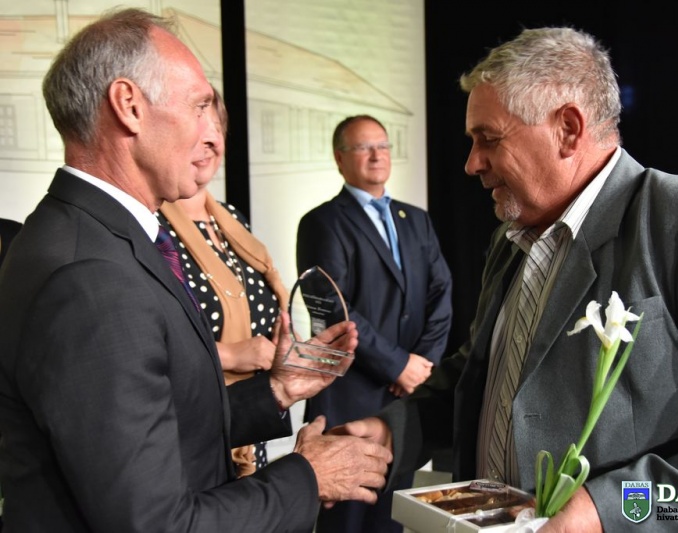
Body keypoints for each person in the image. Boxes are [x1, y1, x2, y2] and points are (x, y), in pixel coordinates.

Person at [336, 27, 678, 531]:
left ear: (569, 130)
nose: (471, 164)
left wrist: (609, 511)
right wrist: (392, 430)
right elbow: (486, 378)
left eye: (488, 139)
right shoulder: (511, 238)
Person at [0, 8, 391, 532]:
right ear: (129, 106)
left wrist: (275, 390)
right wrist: (308, 477)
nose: (214, 133)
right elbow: (156, 523)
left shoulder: (105, 238)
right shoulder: (90, 277)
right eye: (201, 105)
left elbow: (156, 429)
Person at [296, 114, 453, 532]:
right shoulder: (321, 222)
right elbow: (333, 308)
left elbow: (442, 293)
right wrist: (397, 364)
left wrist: (421, 365)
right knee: (346, 522)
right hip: (348, 397)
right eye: (363, 147)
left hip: (405, 400)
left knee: (392, 521)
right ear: (339, 158)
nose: (376, 155)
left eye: (382, 146)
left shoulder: (416, 219)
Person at [157, 87, 286, 477]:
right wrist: (229, 356)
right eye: (197, 129)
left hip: (251, 418)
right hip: (194, 424)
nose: (209, 142)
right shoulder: (151, 228)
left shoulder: (231, 219)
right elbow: (146, 338)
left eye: (216, 130)